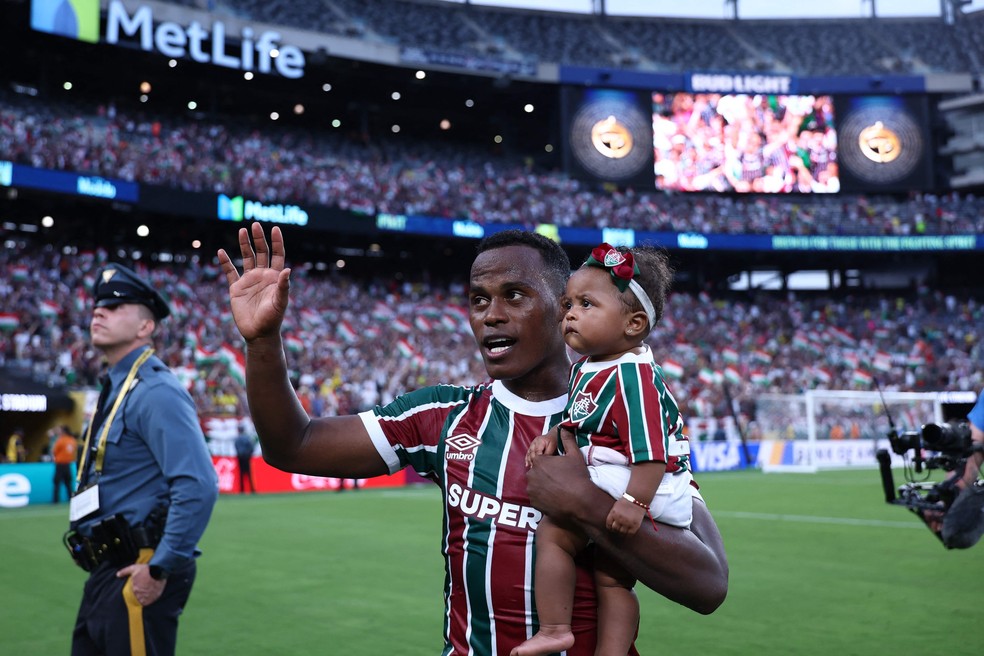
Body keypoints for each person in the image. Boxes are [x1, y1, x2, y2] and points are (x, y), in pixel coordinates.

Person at [217, 223, 728, 655]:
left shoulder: (631, 413)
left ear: (563, 309)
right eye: (478, 299)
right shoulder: (443, 415)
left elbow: (709, 584)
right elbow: (295, 445)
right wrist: (263, 343)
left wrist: (586, 503)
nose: (491, 314)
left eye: (515, 295)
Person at [511, 243, 695, 656]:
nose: (570, 313)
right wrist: (555, 433)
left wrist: (632, 501)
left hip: (650, 483)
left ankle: (555, 628)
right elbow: (584, 420)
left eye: (587, 304)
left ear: (633, 324)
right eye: (568, 304)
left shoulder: (634, 377)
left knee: (555, 533)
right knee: (613, 577)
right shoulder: (589, 366)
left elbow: (652, 451)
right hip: (631, 477)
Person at [64, 262, 219, 656]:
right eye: (98, 305)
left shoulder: (155, 390)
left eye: (115, 307)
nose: (99, 311)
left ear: (145, 327)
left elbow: (198, 485)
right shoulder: (118, 386)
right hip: (109, 567)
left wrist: (160, 567)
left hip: (141, 565)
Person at [52, 426, 78, 504]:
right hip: (68, 464)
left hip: (60, 464)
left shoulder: (61, 440)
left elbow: (54, 451)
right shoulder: (72, 440)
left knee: (57, 483)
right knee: (68, 483)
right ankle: (71, 499)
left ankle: (55, 501)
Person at [234, 428, 257, 494]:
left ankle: (242, 490)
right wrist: (249, 454)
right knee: (249, 474)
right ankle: (252, 489)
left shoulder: (237, 439)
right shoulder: (247, 438)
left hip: (240, 458)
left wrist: (240, 454)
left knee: (241, 474)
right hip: (247, 458)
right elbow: (251, 447)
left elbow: (236, 447)